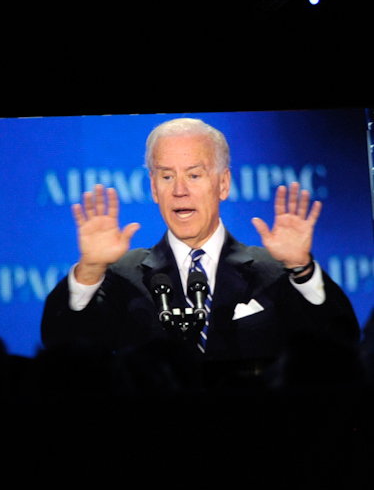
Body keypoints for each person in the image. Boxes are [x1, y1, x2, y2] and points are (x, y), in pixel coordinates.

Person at [41, 117, 358, 361]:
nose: (179, 190)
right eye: (167, 176)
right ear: (153, 188)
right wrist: (90, 272)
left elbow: (339, 345)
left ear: (223, 184)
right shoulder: (120, 275)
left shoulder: (274, 270)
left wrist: (302, 269)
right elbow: (63, 350)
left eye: (194, 175)